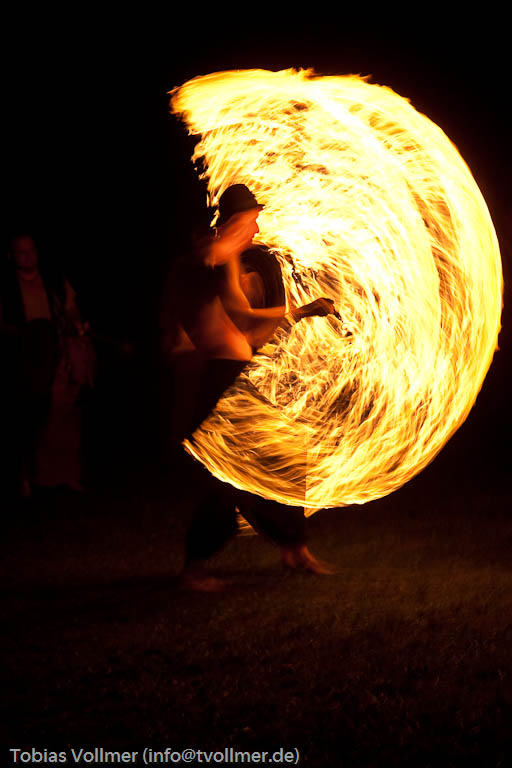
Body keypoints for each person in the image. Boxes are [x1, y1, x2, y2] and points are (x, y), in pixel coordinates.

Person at [165, 185, 336, 589]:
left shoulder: (214, 261)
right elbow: (242, 316)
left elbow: (249, 333)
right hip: (224, 378)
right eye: (252, 220)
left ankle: (293, 547)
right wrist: (299, 309)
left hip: (230, 374)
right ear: (236, 221)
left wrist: (298, 314)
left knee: (282, 456)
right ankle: (194, 568)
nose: (256, 229)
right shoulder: (218, 255)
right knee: (232, 477)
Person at [0, 233, 95, 497]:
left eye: (31, 250)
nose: (28, 256)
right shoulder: (6, 286)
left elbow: (71, 309)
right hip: (24, 359)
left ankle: (68, 474)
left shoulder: (53, 279)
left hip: (58, 355)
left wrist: (76, 324)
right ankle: (29, 477)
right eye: (21, 252)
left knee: (65, 412)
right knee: (30, 415)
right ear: (11, 256)